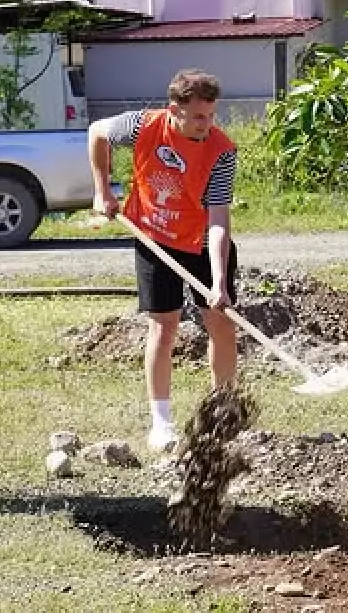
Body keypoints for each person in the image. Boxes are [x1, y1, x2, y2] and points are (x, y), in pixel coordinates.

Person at [88, 70, 239, 453]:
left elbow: (219, 219)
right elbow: (97, 132)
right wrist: (102, 190)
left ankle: (223, 413)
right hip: (153, 237)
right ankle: (162, 423)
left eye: (212, 115)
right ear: (175, 110)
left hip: (202, 240)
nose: (208, 124)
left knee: (219, 321)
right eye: (199, 116)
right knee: (164, 325)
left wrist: (218, 282)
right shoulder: (144, 126)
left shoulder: (221, 150)